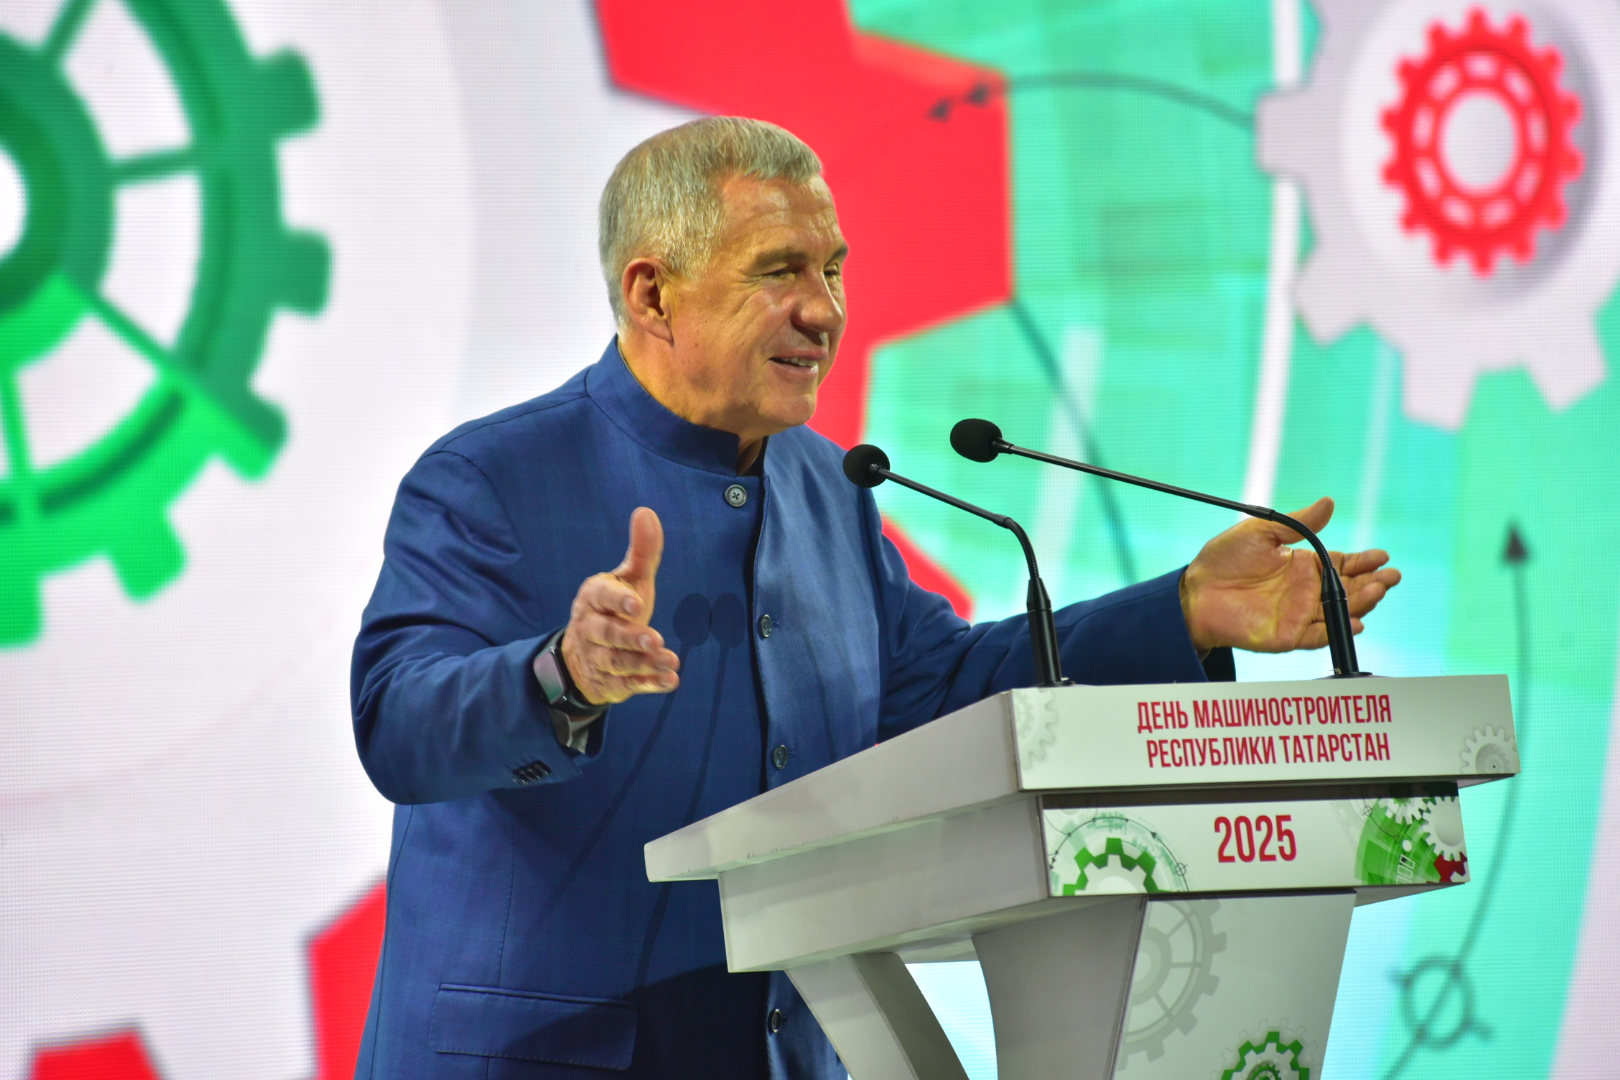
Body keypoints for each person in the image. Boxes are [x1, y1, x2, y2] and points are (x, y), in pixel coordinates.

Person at [350, 117, 1399, 1079]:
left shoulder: (831, 486)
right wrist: (564, 674)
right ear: (652, 293)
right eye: (780, 271)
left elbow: (937, 687)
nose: (824, 309)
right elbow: (397, 724)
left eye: (834, 268)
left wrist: (1186, 611)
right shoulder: (489, 478)